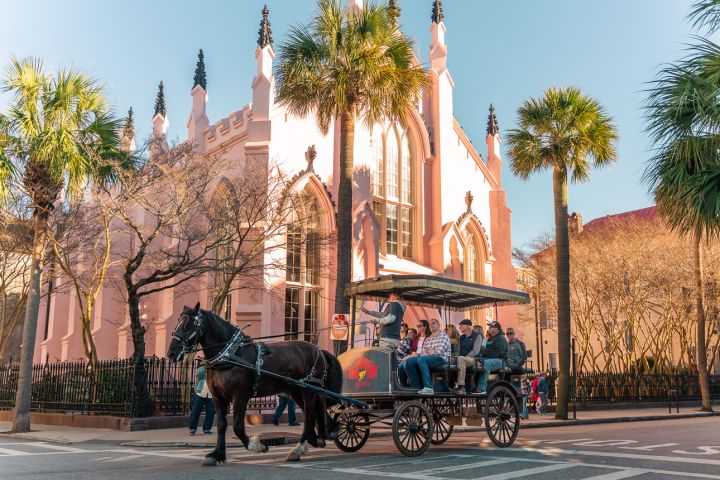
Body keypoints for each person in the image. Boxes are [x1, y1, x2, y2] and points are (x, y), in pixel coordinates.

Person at [403, 318, 450, 395]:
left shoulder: (444, 336)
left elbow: (440, 350)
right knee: (409, 362)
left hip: (441, 359)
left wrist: (432, 351)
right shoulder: (428, 338)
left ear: (439, 325)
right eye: (430, 324)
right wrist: (429, 352)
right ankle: (416, 387)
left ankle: (428, 387)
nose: (431, 325)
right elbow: (423, 352)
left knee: (422, 360)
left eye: (433, 323)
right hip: (429, 358)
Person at [472, 320, 508, 395]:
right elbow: (485, 351)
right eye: (489, 327)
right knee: (476, 363)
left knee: (486, 364)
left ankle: (481, 388)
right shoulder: (490, 339)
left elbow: (499, 353)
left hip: (500, 361)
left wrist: (486, 356)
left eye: (491, 327)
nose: (489, 329)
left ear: (497, 329)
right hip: (491, 359)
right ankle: (473, 385)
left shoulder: (501, 338)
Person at [451, 319, 483, 395]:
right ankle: (449, 384)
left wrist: (464, 357)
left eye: (461, 325)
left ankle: (461, 387)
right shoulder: (461, 337)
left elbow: (476, 351)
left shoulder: (477, 336)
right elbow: (458, 351)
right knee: (449, 361)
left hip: (475, 360)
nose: (459, 327)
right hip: (462, 359)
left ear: (468, 326)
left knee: (460, 359)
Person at [189, 365, 216, 435]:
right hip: (200, 392)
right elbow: (198, 375)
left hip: (211, 394)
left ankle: (207, 429)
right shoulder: (201, 369)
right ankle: (193, 429)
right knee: (195, 411)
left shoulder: (215, 369)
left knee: (211, 412)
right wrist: (204, 368)